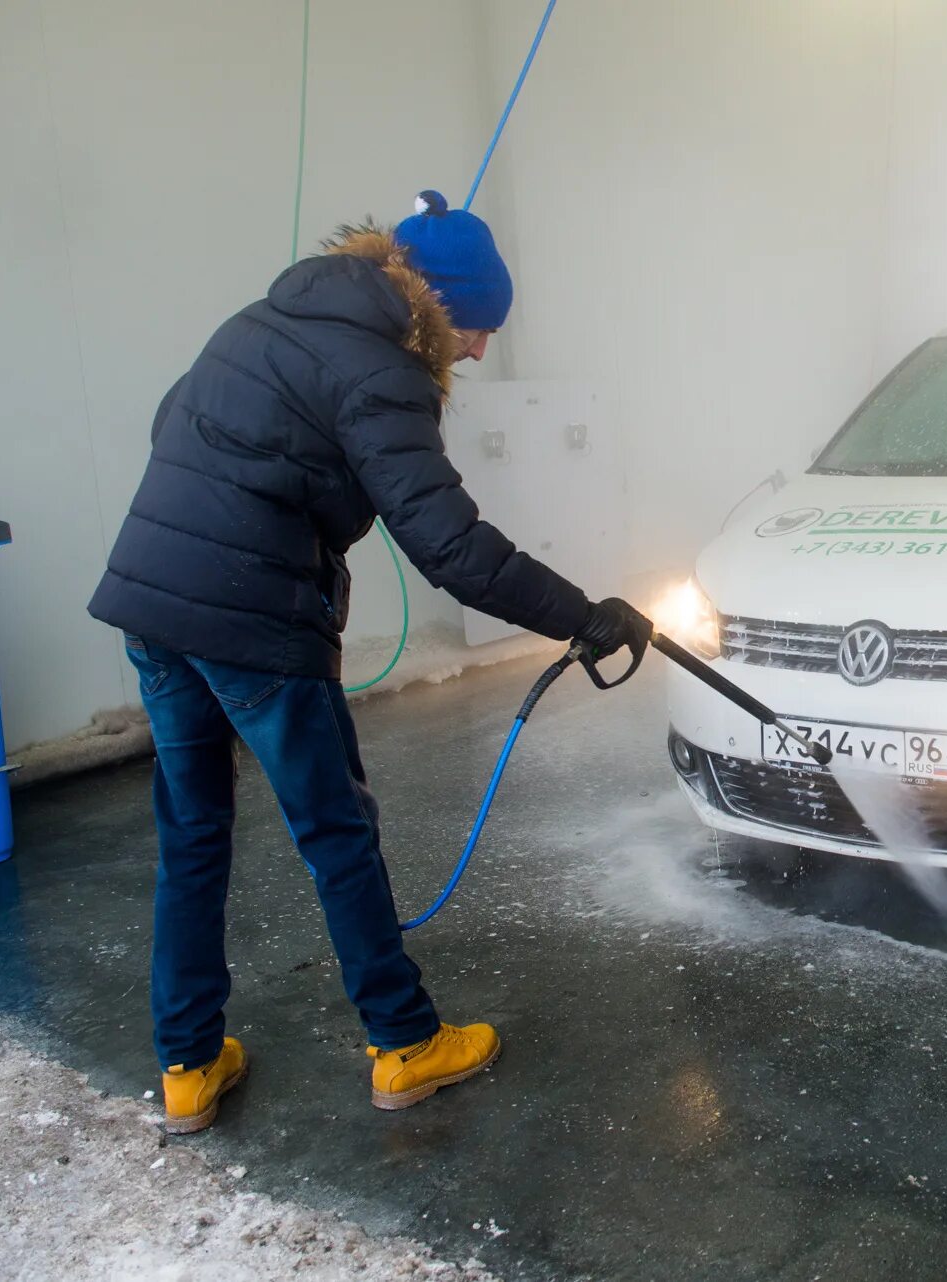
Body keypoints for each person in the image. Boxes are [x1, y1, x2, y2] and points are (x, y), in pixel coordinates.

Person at [87, 190, 651, 1134]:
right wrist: (583, 616)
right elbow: (454, 549)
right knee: (336, 831)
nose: (475, 354)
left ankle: (187, 1062)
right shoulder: (382, 372)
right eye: (476, 331)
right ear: (438, 304)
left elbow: (173, 430)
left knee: (191, 834)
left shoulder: (260, 321)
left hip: (152, 601)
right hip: (251, 620)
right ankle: (405, 1043)